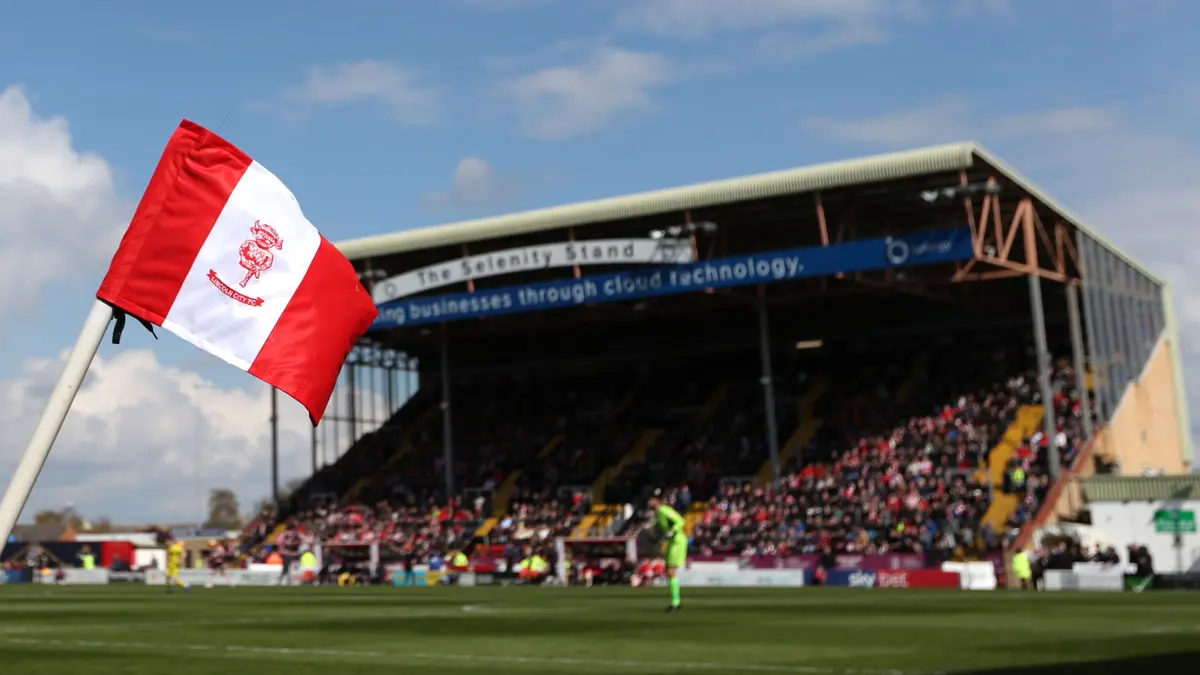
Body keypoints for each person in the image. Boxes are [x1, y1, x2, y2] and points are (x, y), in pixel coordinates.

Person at [648, 489, 687, 612]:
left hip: (677, 541)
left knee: (671, 571)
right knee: (669, 572)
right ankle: (676, 602)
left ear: (656, 501)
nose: (649, 502)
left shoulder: (664, 510)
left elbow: (681, 521)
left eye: (651, 499)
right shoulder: (659, 513)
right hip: (672, 542)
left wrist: (672, 531)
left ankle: (676, 603)